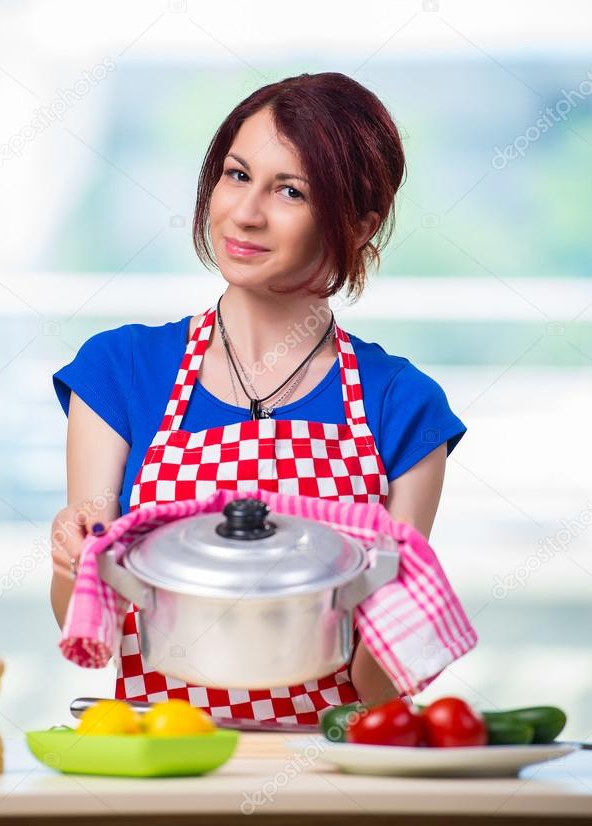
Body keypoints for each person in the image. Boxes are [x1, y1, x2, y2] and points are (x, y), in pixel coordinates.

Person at [50, 71, 467, 723]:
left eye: (290, 191)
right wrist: (73, 560)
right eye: (236, 175)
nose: (245, 213)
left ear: (359, 225)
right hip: (164, 756)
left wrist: (400, 598)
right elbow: (92, 624)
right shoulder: (121, 371)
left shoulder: (401, 403)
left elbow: (377, 679)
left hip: (328, 772)